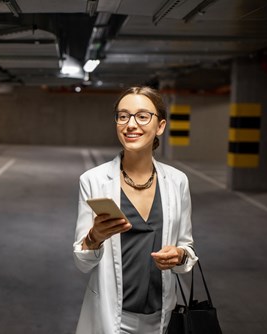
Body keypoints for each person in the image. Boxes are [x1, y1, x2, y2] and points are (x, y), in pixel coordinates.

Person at [73, 86, 198, 334]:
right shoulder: (93, 180)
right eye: (123, 116)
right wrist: (94, 237)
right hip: (112, 317)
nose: (131, 124)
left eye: (142, 116)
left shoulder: (177, 181)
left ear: (160, 126)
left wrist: (180, 255)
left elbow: (187, 248)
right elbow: (82, 262)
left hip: (162, 316)